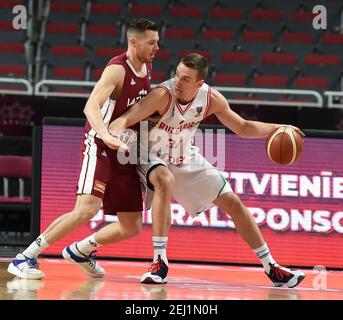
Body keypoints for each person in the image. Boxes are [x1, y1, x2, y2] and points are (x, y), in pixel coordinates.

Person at [108, 53, 306, 288]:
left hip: (182, 155)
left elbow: (243, 127)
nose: (177, 82)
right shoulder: (163, 95)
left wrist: (279, 127)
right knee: (164, 178)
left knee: (233, 202)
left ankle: (271, 267)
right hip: (146, 153)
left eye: (185, 79)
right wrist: (114, 135)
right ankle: (159, 261)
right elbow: (123, 120)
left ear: (199, 83)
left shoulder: (211, 99)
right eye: (177, 75)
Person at [7, 18, 159, 279]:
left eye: (157, 42)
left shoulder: (147, 67)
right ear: (133, 42)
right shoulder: (117, 70)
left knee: (131, 225)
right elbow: (90, 106)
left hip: (125, 150)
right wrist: (105, 135)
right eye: (152, 42)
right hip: (99, 144)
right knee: (87, 208)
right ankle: (24, 257)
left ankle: (81, 250)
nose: (157, 47)